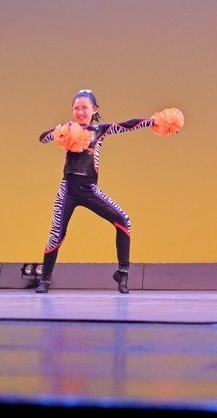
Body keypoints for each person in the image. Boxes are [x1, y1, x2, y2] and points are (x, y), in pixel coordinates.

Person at [33, 89, 182, 294]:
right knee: (56, 234)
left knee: (123, 220)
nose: (80, 112)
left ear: (94, 109)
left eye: (85, 108)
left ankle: (122, 273)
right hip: (68, 189)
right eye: (76, 108)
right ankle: (45, 280)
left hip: (90, 189)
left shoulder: (100, 131)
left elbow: (127, 125)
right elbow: (42, 138)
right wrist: (57, 133)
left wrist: (153, 121)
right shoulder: (67, 130)